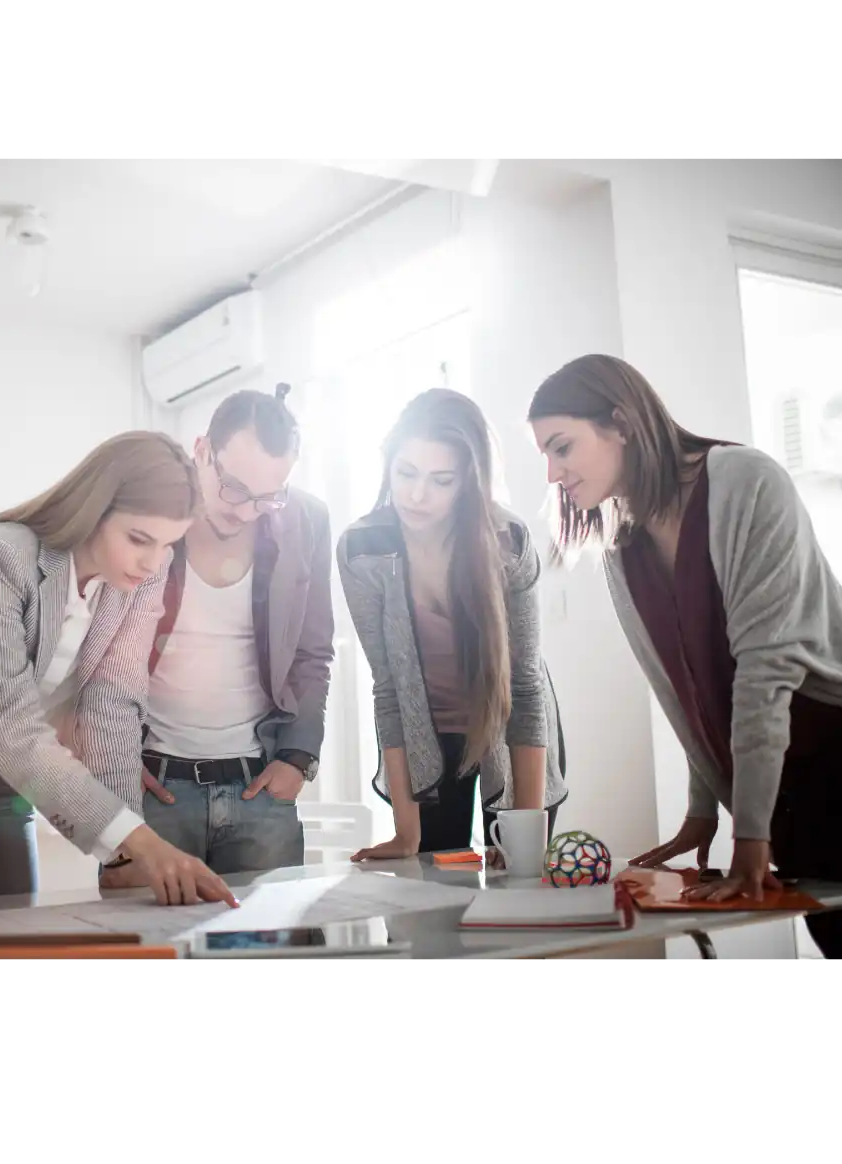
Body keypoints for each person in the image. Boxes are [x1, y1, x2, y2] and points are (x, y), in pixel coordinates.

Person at [529, 352, 842, 959]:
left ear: (619, 422)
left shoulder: (746, 480)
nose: (552, 474)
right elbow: (689, 692)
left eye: (561, 447)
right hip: (787, 791)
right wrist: (706, 813)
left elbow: (765, 671)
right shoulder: (624, 546)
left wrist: (748, 835)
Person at [0, 431, 238, 909]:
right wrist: (142, 842)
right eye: (139, 539)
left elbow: (111, 705)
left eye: (167, 545)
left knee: (10, 940)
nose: (153, 562)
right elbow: (7, 726)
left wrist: (122, 855)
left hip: (1, 781)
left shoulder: (142, 576)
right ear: (95, 508)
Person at [101, 384, 334, 885]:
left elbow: (313, 654)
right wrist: (113, 760)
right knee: (145, 946)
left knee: (271, 946)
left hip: (261, 790)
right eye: (234, 488)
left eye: (268, 497)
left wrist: (297, 758)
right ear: (202, 450)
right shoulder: (149, 519)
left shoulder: (306, 521)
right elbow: (101, 650)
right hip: (151, 789)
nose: (247, 511)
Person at [337, 389, 567, 864]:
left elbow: (525, 691)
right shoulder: (363, 549)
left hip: (509, 728)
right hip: (427, 735)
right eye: (406, 474)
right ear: (388, 464)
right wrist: (405, 833)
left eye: (441, 480)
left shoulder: (509, 542)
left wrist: (526, 833)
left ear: (469, 481)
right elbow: (389, 693)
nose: (417, 496)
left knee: (517, 889)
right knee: (436, 895)